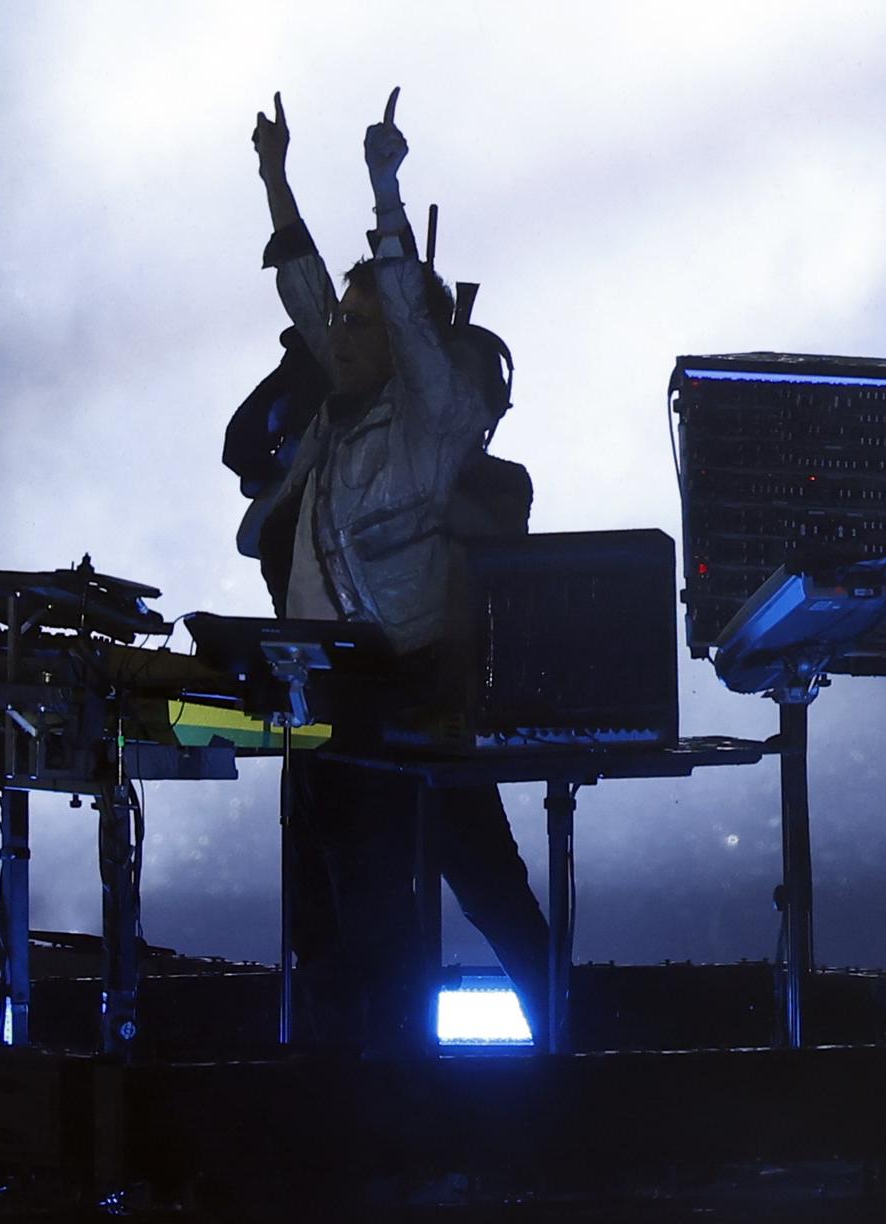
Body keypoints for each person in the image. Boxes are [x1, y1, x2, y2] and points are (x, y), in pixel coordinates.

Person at [242, 90, 550, 1052]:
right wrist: (276, 180)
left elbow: (410, 320)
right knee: (347, 919)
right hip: (327, 696)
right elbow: (302, 294)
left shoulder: (429, 428)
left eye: (360, 322)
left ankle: (556, 1066)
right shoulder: (340, 412)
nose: (338, 331)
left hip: (412, 697)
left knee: (490, 902)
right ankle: (361, 1084)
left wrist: (386, 191)